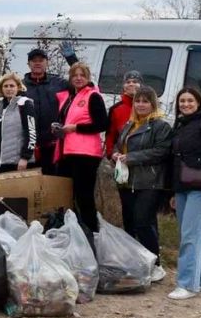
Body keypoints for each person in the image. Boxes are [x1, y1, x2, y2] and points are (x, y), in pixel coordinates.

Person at [111, 86, 171, 284]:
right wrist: (115, 154)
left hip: (149, 182)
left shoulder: (159, 126)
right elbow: (119, 144)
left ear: (153, 104)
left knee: (143, 222)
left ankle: (156, 264)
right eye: (138, 101)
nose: (141, 105)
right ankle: (138, 262)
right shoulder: (129, 124)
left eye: (145, 101)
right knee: (130, 223)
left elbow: (161, 151)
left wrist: (132, 157)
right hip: (127, 181)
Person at [167, 87, 201, 300]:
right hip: (182, 188)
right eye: (182, 101)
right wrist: (174, 192)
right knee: (199, 234)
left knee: (190, 236)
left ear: (199, 103)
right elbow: (177, 161)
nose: (186, 104)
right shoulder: (181, 126)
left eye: (190, 100)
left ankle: (188, 284)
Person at [54, 62, 108, 247]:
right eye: (75, 75)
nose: (78, 78)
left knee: (84, 197)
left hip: (86, 154)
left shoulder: (93, 96)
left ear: (88, 78)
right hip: (70, 151)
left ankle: (93, 235)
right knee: (71, 196)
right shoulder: (72, 97)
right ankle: (77, 235)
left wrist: (76, 127)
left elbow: (102, 124)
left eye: (82, 75)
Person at [22, 45, 77, 175]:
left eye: (41, 60)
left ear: (47, 62)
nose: (37, 63)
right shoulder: (21, 86)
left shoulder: (59, 83)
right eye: (34, 60)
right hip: (30, 145)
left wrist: (72, 60)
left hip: (54, 143)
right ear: (28, 64)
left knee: (54, 181)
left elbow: (81, 82)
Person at [0, 73, 37, 174]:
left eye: (12, 86)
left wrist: (25, 157)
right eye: (5, 86)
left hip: (18, 163)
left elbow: (31, 133)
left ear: (18, 87)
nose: (8, 89)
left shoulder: (25, 104)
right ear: (1, 89)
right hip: (0, 163)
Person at [106, 70, 143, 158]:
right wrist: (111, 153)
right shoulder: (116, 109)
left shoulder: (148, 107)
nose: (131, 84)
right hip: (121, 156)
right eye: (128, 82)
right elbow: (110, 135)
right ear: (123, 86)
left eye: (135, 82)